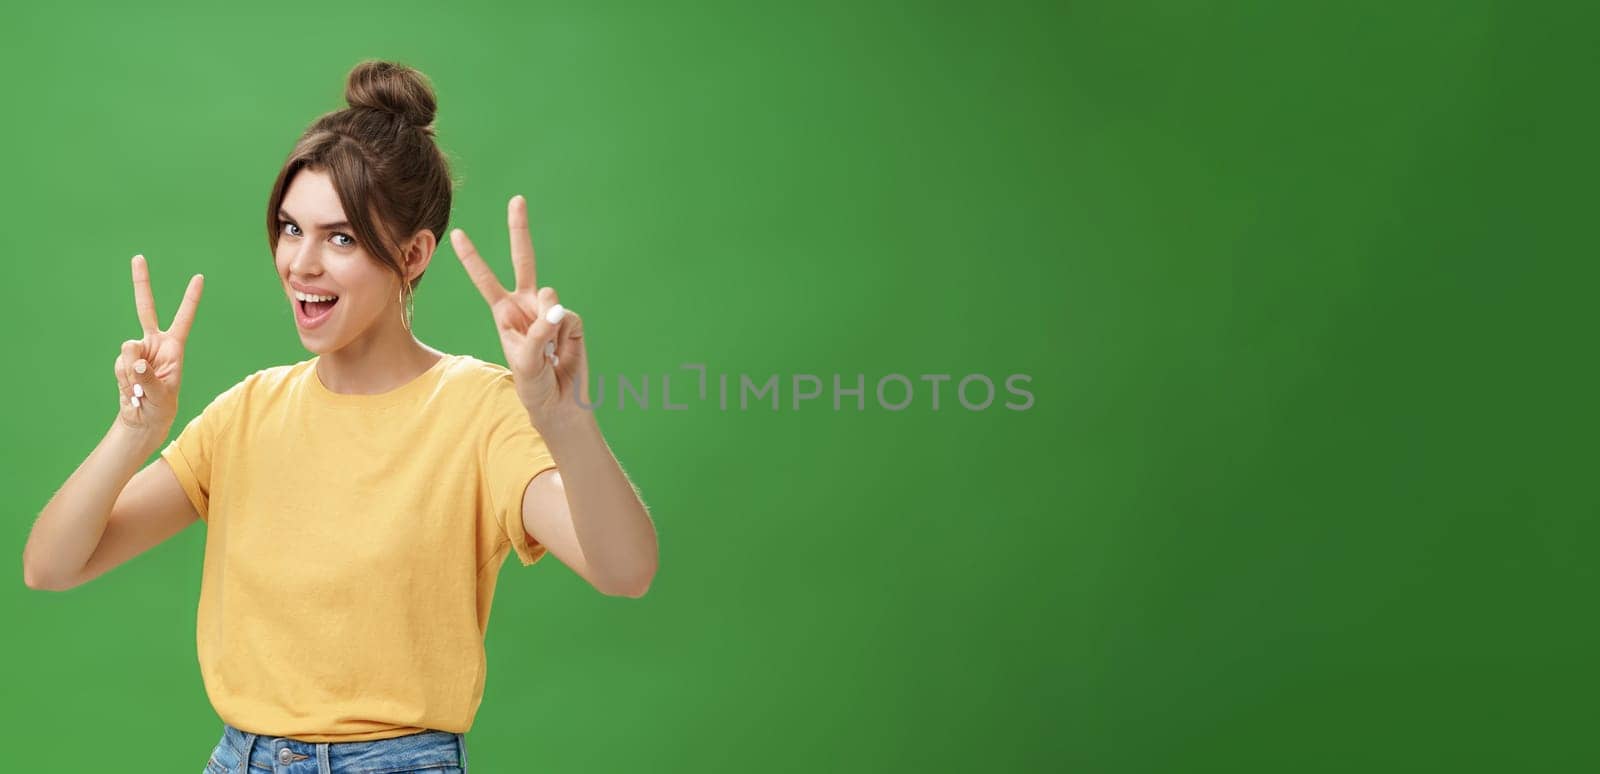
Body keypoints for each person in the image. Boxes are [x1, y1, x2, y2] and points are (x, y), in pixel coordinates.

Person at [21, 60, 659, 773]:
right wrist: (134, 432)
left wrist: (564, 416)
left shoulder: (481, 411)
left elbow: (625, 570)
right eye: (291, 229)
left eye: (342, 238)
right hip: (240, 759)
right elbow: (51, 565)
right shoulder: (248, 413)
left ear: (414, 255)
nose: (301, 263)